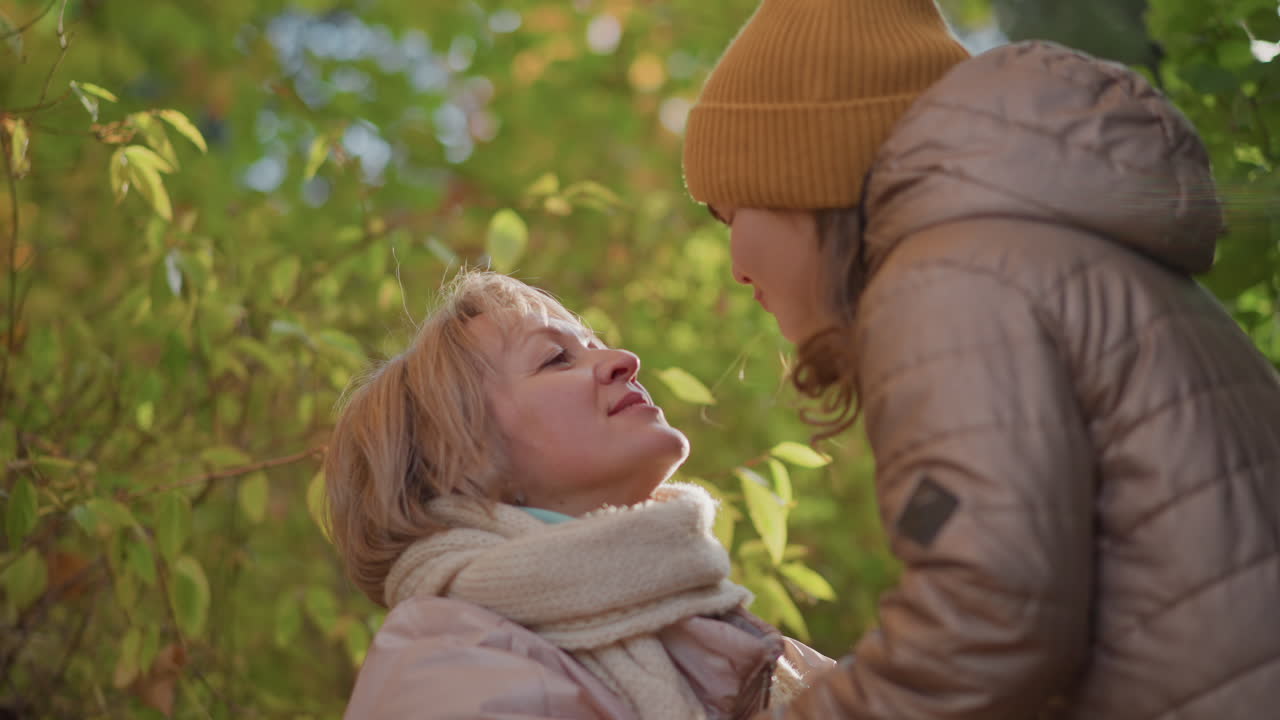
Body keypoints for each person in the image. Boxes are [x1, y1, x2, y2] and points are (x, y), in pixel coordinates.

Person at [679, 1, 1280, 718]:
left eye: (728, 213)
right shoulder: (1032, 257)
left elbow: (986, 620)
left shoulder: (947, 284)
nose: (737, 269)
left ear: (809, 178)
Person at [324, 270, 834, 720]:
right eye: (555, 359)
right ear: (461, 461)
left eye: (594, 343)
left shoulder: (728, 634)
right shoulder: (448, 662)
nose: (624, 360)